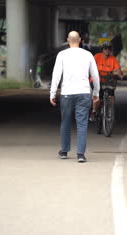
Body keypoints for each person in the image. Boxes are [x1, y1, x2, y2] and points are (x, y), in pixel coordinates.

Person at [50, 31, 100, 163]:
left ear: (67, 40)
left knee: (65, 122)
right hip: (83, 92)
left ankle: (64, 151)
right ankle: (80, 154)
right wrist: (96, 92)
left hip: (67, 93)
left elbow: (56, 75)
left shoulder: (62, 55)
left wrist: (52, 93)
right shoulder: (88, 55)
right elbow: (95, 76)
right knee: (82, 123)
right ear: (80, 40)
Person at [90, 41, 124, 120]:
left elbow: (118, 69)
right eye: (105, 49)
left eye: (109, 49)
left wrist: (120, 75)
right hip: (96, 78)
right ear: (102, 50)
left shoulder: (113, 59)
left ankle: (110, 109)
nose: (107, 50)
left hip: (108, 79)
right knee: (97, 94)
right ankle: (94, 111)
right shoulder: (97, 57)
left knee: (111, 93)